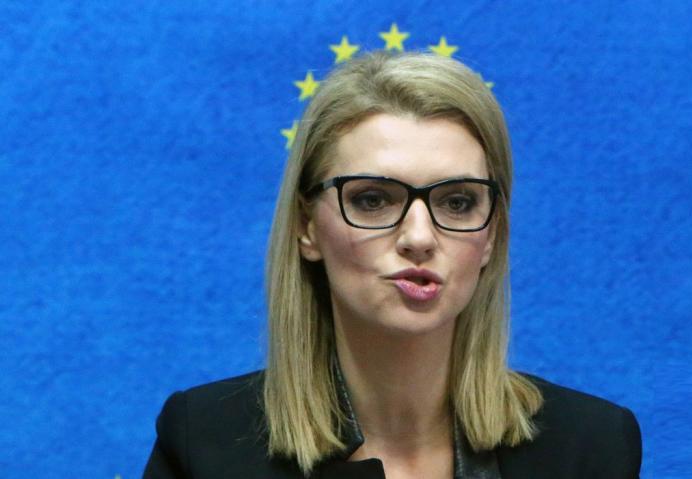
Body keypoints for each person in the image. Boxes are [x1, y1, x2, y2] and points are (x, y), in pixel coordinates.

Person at [142, 51, 642, 479]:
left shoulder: (589, 446)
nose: (419, 237)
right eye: (373, 199)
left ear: (492, 234)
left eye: (458, 202)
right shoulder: (204, 443)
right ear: (306, 226)